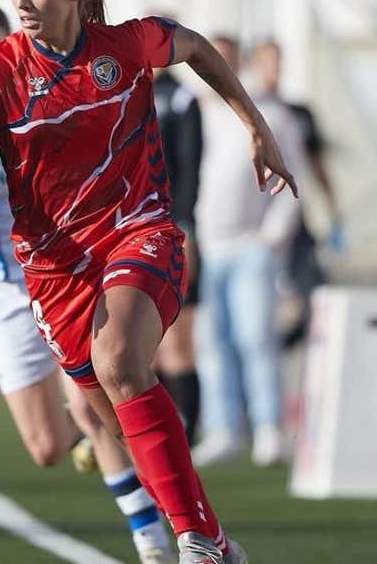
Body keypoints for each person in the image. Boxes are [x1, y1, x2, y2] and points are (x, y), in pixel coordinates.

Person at [0, 0, 298, 564]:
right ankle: (216, 541)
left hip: (136, 232)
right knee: (114, 421)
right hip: (53, 269)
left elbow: (196, 48)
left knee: (119, 360)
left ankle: (189, 541)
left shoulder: (126, 45)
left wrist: (255, 126)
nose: (24, 0)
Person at [0, 0, 175, 564]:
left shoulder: (40, 103)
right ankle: (85, 429)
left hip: (67, 278)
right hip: (2, 295)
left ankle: (156, 535)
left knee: (96, 399)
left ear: (5, 45)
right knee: (46, 448)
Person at [190, 36, 306, 469]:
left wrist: (271, 236)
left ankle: (268, 427)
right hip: (209, 246)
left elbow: (295, 181)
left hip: (251, 244)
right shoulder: (200, 114)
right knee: (213, 341)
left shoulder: (271, 115)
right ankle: (223, 428)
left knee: (256, 336)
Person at [249, 40, 341, 348]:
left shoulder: (298, 113)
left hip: (294, 220)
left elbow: (316, 165)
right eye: (268, 61)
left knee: (313, 294)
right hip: (256, 224)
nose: (275, 69)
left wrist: (334, 210)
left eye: (279, 61)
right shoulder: (245, 110)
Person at [150, 29, 205, 445]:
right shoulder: (122, 90)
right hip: (131, 232)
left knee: (177, 339)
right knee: (141, 347)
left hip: (172, 230)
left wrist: (183, 226)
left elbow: (189, 167)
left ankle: (186, 428)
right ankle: (160, 431)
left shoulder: (181, 98)